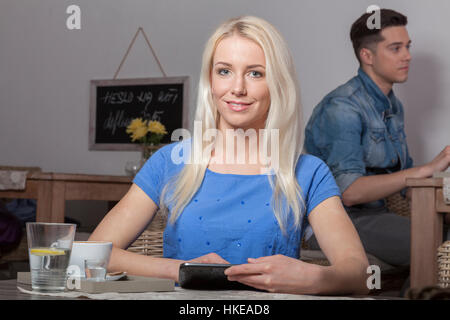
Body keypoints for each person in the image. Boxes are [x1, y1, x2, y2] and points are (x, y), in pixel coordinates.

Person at [89, 16, 369, 295]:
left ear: (278, 84)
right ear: (210, 80)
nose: (238, 88)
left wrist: (315, 278)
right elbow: (93, 254)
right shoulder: (170, 161)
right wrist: (182, 269)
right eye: (224, 71)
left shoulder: (308, 172)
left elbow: (358, 272)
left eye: (255, 73)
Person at [305, 9, 450, 268]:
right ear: (367, 55)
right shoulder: (341, 108)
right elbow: (348, 192)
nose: (407, 56)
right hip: (338, 222)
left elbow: (408, 186)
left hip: (378, 216)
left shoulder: (392, 107)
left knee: (441, 233)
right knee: (433, 243)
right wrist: (427, 168)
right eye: (396, 48)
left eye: (407, 47)